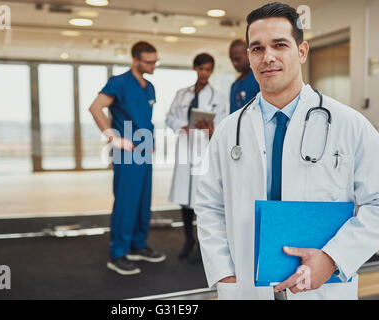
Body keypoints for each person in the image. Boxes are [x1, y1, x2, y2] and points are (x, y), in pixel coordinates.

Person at [195, 2, 379, 300]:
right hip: (246, 286)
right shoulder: (229, 131)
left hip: (323, 285)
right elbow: (209, 206)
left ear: (302, 51)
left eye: (279, 44)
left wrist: (334, 258)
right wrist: (224, 273)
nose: (268, 57)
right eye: (257, 48)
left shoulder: (350, 125)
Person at [89, 41, 166, 276]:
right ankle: (119, 253)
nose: (153, 65)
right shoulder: (119, 83)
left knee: (143, 201)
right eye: (149, 62)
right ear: (136, 61)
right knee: (126, 201)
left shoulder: (150, 87)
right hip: (127, 152)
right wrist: (113, 138)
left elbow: (145, 119)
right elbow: (95, 108)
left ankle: (138, 245)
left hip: (144, 150)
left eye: (155, 61)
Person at [166, 53, 227, 263]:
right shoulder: (182, 94)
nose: (204, 73)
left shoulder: (218, 98)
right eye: (201, 69)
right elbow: (170, 117)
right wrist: (179, 126)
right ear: (195, 68)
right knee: (184, 201)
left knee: (203, 201)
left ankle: (203, 246)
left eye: (208, 69)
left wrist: (211, 129)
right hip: (185, 147)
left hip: (205, 151)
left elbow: (223, 127)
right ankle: (188, 241)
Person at [229, 39, 260, 114]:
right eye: (232, 60)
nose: (234, 64)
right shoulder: (235, 85)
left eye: (237, 59)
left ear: (248, 54)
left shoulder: (259, 80)